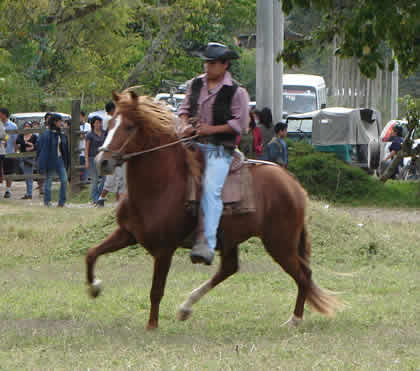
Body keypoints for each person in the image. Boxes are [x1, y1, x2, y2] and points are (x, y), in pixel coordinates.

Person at [178, 42, 250, 265]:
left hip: (219, 149)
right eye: (206, 62)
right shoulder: (195, 84)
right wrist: (184, 126)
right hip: (192, 143)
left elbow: (241, 124)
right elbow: (183, 110)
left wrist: (211, 129)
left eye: (212, 63)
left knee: (211, 188)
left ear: (225, 64)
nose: (207, 66)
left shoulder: (237, 91)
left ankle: (207, 243)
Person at [37, 113, 70, 207]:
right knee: (48, 181)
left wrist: (66, 160)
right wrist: (42, 164)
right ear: (55, 122)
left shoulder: (60, 133)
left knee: (64, 180)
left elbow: (64, 148)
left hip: (59, 160)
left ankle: (62, 202)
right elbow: (42, 151)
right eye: (60, 121)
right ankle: (47, 201)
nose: (61, 123)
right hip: (50, 160)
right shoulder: (46, 135)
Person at [96, 101, 123, 207]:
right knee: (114, 178)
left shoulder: (115, 120)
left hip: (115, 152)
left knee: (117, 178)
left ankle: (103, 199)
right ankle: (102, 199)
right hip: (113, 153)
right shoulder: (111, 120)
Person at [85, 116, 106, 204]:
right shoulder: (90, 135)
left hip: (103, 158)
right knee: (95, 179)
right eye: (97, 123)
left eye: (100, 122)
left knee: (105, 179)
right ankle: (95, 198)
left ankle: (99, 195)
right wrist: (86, 160)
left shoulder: (105, 133)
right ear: (93, 124)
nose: (99, 124)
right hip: (92, 158)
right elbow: (86, 148)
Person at [16, 121, 37, 199]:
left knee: (29, 175)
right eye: (25, 126)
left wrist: (32, 147)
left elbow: (38, 145)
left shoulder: (34, 136)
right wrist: (24, 144)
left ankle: (29, 193)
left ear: (31, 127)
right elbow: (18, 143)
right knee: (26, 175)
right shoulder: (21, 135)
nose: (27, 127)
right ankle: (28, 193)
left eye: (28, 126)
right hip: (22, 157)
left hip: (30, 158)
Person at [0, 108, 18, 198]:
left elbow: (15, 140)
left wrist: (15, 152)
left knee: (9, 172)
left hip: (9, 151)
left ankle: (8, 190)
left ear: (4, 114)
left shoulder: (13, 126)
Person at [79, 111, 91, 185]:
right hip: (77, 151)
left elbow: (88, 135)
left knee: (85, 169)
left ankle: (84, 184)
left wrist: (82, 136)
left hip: (86, 150)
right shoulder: (74, 125)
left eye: (80, 116)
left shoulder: (88, 125)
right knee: (77, 170)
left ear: (83, 117)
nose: (79, 118)